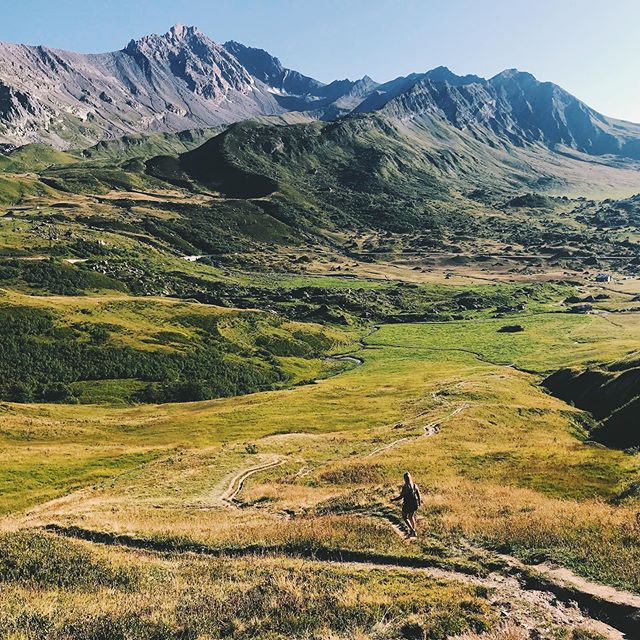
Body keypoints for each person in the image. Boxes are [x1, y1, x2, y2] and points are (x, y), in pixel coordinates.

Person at [391, 472, 421, 537]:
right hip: (414, 503)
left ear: (405, 479)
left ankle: (412, 529)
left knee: (404, 517)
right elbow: (418, 495)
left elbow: (401, 496)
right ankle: (414, 531)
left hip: (407, 504)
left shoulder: (405, 487)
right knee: (411, 516)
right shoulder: (415, 485)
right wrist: (419, 502)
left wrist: (393, 499)